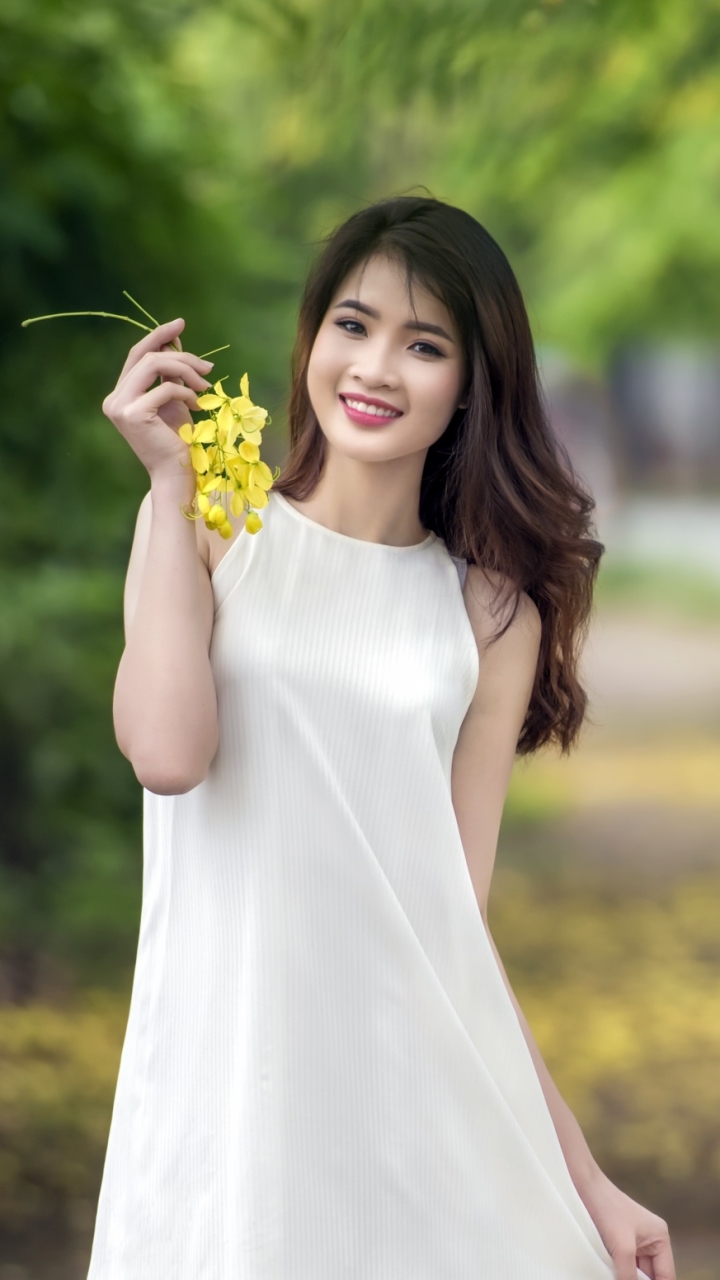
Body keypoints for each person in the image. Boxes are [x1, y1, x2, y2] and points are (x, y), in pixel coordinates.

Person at [87, 196, 674, 1280]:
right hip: (227, 1095)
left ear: (471, 380)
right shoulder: (212, 522)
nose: (375, 367)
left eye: (424, 344)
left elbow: (452, 930)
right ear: (310, 337)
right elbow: (168, 754)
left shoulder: (491, 611)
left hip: (407, 1108)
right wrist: (172, 487)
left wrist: (585, 1178)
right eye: (353, 325)